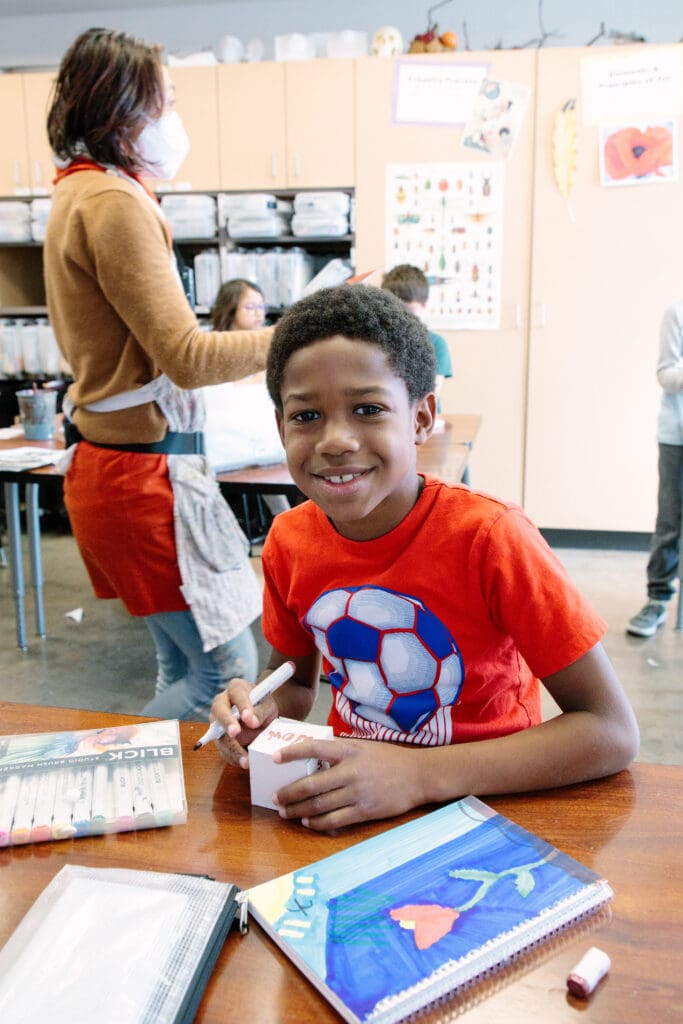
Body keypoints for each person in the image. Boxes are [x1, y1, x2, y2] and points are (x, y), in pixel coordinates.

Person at [209, 284, 639, 831]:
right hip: (359, 801)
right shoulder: (289, 541)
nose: (335, 440)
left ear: (420, 418)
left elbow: (610, 730)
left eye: (368, 409)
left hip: (494, 805)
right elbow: (292, 680)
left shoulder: (491, 537)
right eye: (306, 416)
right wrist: (258, 710)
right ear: (280, 427)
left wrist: (418, 776)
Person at [44, 28, 273, 721]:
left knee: (180, 664)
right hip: (142, 483)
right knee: (224, 678)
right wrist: (306, 329)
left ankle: (148, 808)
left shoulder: (81, 192)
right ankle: (108, 776)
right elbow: (188, 358)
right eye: (163, 104)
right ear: (119, 111)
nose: (173, 123)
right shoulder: (113, 206)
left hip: (120, 470)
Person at [209, 278, 290, 518]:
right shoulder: (214, 346)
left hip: (259, 442)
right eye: (251, 307)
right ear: (231, 308)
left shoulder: (264, 344)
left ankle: (283, 521)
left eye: (261, 307)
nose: (259, 314)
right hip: (224, 442)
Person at [627, 302, 683, 636]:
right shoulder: (677, 313)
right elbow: (666, 374)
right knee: (670, 521)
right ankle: (658, 599)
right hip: (676, 435)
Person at [381, 263, 453, 411]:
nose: (402, 317)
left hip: (423, 419)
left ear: (424, 305)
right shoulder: (378, 341)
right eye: (395, 309)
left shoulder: (436, 344)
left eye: (410, 310)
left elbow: (431, 392)